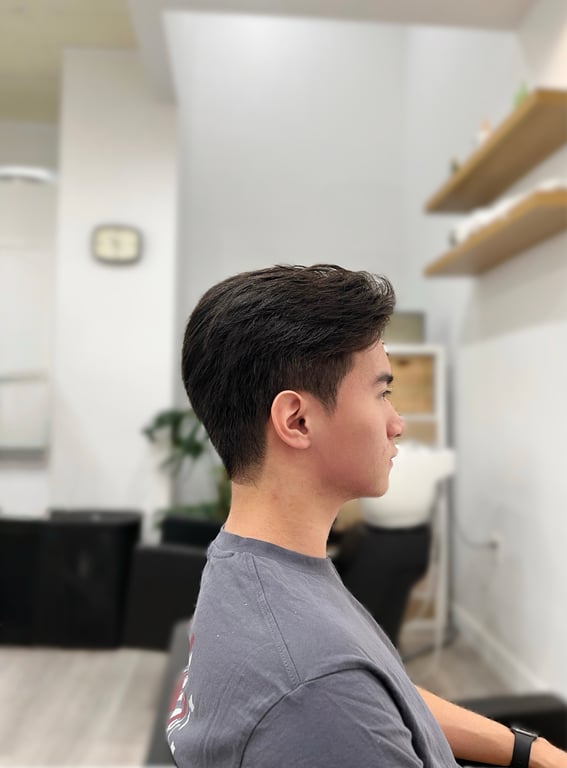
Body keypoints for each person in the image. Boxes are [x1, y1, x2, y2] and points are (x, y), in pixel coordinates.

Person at [167, 264, 566, 768]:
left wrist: (533, 751)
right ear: (297, 420)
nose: (397, 424)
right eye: (381, 393)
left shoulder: (250, 564)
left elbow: (382, 694)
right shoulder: (316, 692)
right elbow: (337, 696)